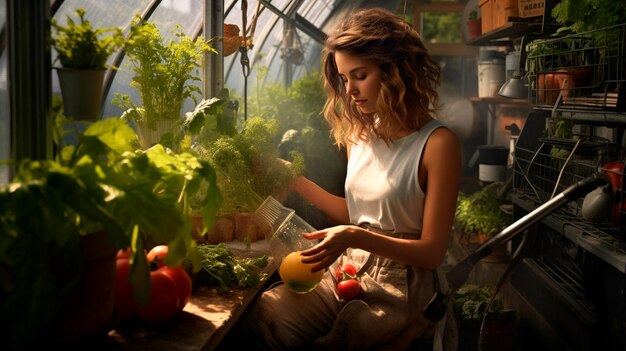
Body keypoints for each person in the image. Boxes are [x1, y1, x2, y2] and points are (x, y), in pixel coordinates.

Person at [251, 7, 461, 351]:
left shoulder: (438, 144)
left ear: (395, 71)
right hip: (351, 267)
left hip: (404, 281)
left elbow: (432, 253)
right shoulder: (358, 136)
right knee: (269, 313)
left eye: (359, 75)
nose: (349, 90)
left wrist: (354, 236)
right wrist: (295, 179)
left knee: (350, 336)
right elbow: (358, 213)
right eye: (344, 78)